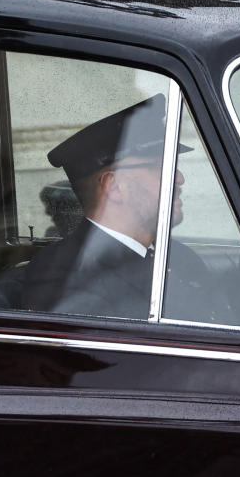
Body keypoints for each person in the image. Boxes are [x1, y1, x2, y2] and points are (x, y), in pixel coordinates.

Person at [23, 93, 217, 319]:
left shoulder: (180, 256)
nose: (179, 178)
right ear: (114, 187)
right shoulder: (66, 277)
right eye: (159, 167)